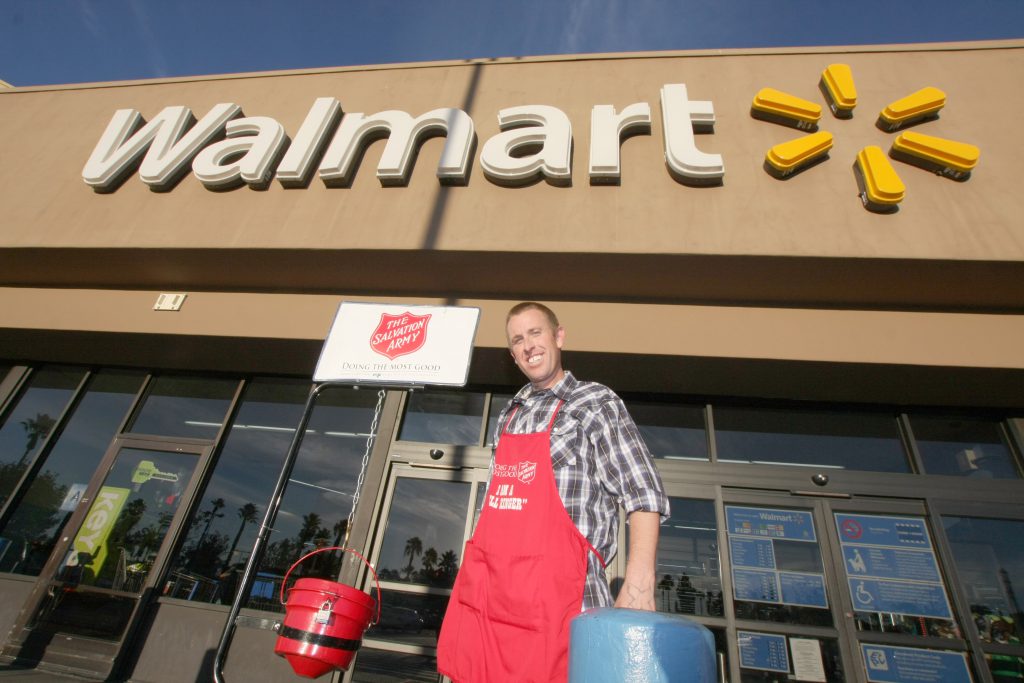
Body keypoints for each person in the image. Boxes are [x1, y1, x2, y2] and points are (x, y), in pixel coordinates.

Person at [438, 301, 670, 682]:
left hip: (564, 603)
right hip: (494, 607)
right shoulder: (508, 415)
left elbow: (641, 489)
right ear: (513, 355)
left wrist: (640, 583)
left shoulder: (595, 402)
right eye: (517, 340)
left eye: (535, 333)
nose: (528, 345)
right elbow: (495, 509)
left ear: (558, 336)